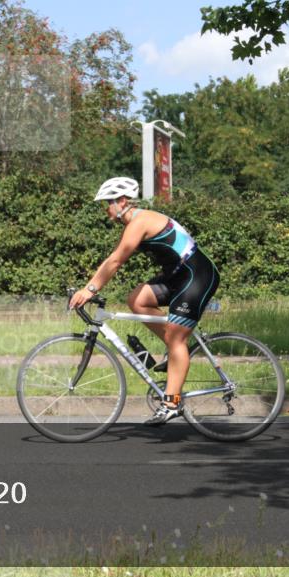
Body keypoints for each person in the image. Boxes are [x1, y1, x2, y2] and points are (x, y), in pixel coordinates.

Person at [69, 177, 220, 425]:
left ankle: (171, 402)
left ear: (122, 201)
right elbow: (111, 260)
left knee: (176, 337)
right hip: (177, 277)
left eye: (108, 203)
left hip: (197, 276)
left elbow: (116, 261)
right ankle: (174, 352)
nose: (105, 208)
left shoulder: (141, 222)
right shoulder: (133, 224)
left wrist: (90, 289)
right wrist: (90, 286)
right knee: (137, 299)